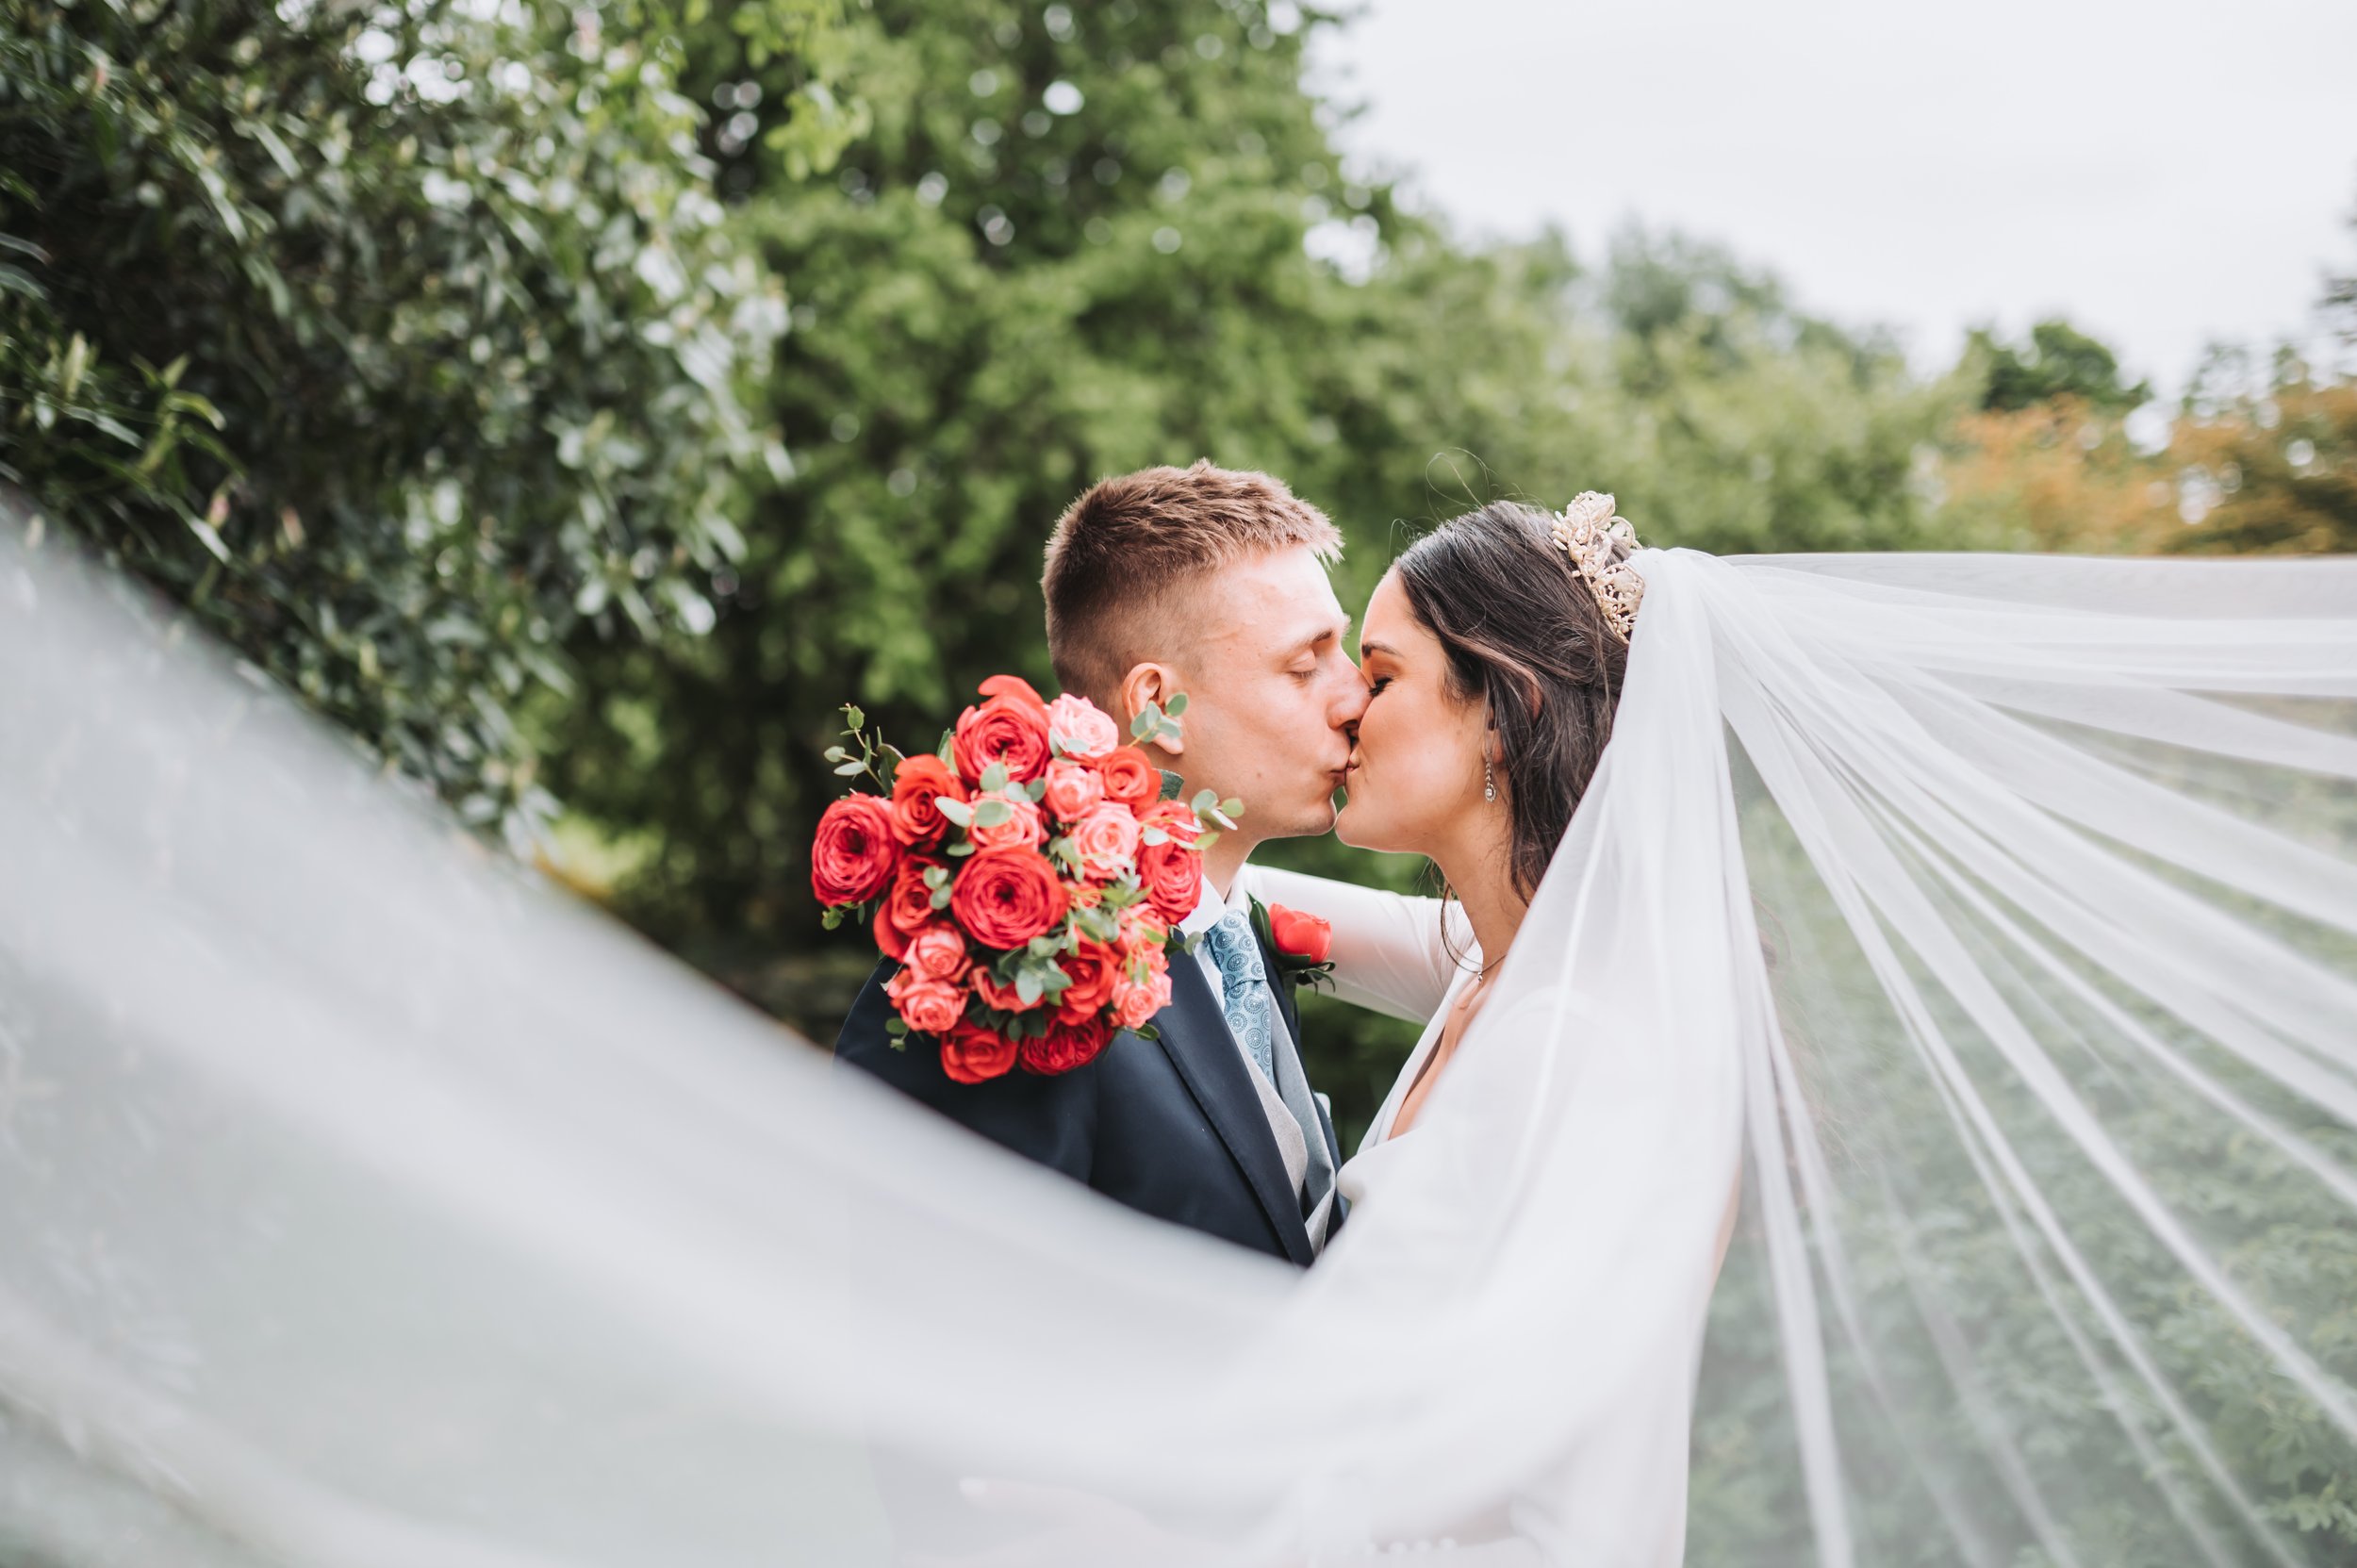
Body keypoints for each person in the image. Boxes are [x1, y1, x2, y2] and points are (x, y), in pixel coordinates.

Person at [834, 461, 1365, 1266]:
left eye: (1346, 652)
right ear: (1156, 704)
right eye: (1305, 664)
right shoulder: (1005, 975)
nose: (1356, 696)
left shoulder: (1235, 935)